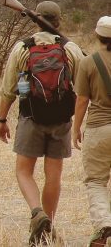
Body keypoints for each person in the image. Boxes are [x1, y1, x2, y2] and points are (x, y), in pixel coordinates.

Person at [0, 1, 85, 245]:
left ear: (36, 19)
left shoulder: (23, 48)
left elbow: (8, 90)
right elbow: (83, 87)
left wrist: (2, 119)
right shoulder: (70, 48)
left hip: (30, 117)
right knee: (53, 176)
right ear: (59, 20)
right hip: (62, 121)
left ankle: (37, 213)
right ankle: (47, 227)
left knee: (24, 171)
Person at [73, 16, 111, 247]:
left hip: (98, 128)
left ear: (97, 36)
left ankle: (103, 224)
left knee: (96, 181)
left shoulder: (88, 62)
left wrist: (76, 128)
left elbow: (82, 99)